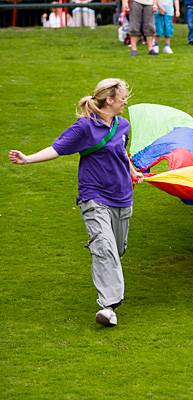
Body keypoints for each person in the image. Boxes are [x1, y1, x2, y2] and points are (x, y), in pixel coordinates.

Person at [8, 78, 144, 327]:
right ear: (110, 99)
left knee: (117, 248)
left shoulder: (123, 125)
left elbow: (122, 153)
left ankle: (101, 253)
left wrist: (133, 172)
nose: (126, 100)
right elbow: (57, 148)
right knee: (105, 248)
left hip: (123, 196)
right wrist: (28, 159)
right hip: (94, 196)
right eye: (123, 96)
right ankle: (109, 306)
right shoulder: (84, 128)